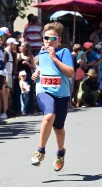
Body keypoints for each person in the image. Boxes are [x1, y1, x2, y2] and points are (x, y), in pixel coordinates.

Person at [29, 22, 74, 171]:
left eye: (52, 38)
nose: (49, 41)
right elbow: (40, 67)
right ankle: (40, 151)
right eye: (46, 38)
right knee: (49, 115)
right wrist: (36, 73)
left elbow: (70, 73)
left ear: (59, 40)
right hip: (43, 91)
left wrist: (54, 58)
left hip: (62, 94)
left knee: (58, 127)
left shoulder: (64, 53)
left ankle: (60, 153)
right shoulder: (40, 54)